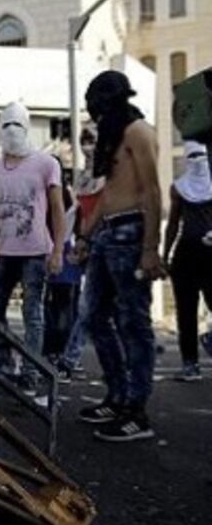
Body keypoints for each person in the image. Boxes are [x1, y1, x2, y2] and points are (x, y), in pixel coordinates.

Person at [73, 70, 164, 442]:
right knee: (93, 315)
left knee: (133, 323)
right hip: (108, 232)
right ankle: (117, 396)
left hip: (131, 231)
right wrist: (85, 236)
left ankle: (136, 412)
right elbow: (108, 193)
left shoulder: (139, 132)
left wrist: (151, 249)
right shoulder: (115, 136)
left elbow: (152, 191)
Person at [0, 102, 66, 394]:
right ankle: (5, 363)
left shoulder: (46, 164)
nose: (12, 130)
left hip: (36, 252)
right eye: (6, 125)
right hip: (5, 252)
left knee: (32, 314)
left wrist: (58, 250)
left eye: (17, 124)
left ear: (27, 128)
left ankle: (30, 372)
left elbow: (57, 208)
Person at [163, 141, 212, 382]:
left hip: (186, 254)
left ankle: (190, 365)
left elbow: (173, 224)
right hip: (201, 254)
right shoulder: (180, 187)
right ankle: (192, 361)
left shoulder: (179, 187)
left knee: (186, 312)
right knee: (186, 311)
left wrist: (165, 255)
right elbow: (172, 223)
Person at [60, 126, 104, 377]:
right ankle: (71, 358)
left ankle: (71, 358)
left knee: (97, 306)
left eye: (92, 141)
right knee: (88, 305)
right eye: (84, 141)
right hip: (86, 245)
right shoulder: (82, 178)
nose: (88, 147)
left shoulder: (110, 175)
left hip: (106, 244)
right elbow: (77, 213)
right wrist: (74, 241)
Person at [43, 157, 83, 379]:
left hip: (60, 252)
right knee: (61, 308)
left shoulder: (61, 195)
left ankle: (55, 352)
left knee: (58, 307)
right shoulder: (65, 194)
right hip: (63, 252)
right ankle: (58, 352)